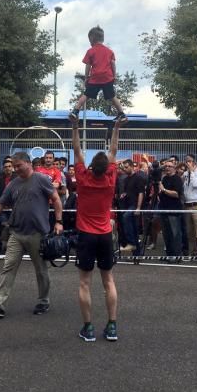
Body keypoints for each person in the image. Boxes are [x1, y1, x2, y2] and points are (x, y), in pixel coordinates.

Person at [0, 152, 63, 319]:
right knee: (8, 267)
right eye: (14, 166)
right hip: (16, 233)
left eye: (18, 166)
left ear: (28, 163)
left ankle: (43, 300)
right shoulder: (13, 184)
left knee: (41, 270)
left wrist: (59, 221)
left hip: (38, 234)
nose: (16, 169)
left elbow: (55, 198)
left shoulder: (41, 179)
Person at [72, 118, 123, 342]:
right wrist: (117, 127)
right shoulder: (111, 179)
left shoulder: (83, 178)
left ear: (92, 166)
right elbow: (113, 149)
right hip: (104, 235)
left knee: (85, 282)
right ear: (108, 168)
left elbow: (76, 149)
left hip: (86, 234)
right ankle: (112, 326)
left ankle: (88, 328)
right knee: (108, 281)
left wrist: (74, 127)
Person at [69, 25, 127, 123]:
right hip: (107, 77)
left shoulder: (90, 51)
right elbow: (113, 64)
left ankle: (76, 111)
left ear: (92, 39)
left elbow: (88, 65)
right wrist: (114, 76)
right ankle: (122, 114)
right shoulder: (109, 51)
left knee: (86, 95)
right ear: (102, 38)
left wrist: (87, 78)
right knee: (112, 96)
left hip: (95, 78)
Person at [158, 159, 184, 260]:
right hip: (163, 210)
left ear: (174, 168)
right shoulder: (164, 179)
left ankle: (177, 256)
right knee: (166, 234)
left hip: (173, 211)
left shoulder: (177, 179)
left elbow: (176, 194)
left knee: (175, 234)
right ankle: (169, 255)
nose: (167, 168)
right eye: (165, 166)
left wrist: (164, 190)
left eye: (169, 166)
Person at [182, 154, 197, 260]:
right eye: (186, 161)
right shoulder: (185, 174)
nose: (188, 163)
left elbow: (196, 184)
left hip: (196, 205)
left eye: (190, 161)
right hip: (186, 205)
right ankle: (193, 252)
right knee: (189, 232)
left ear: (194, 162)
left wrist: (192, 172)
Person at [119, 159, 146, 253]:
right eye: (124, 167)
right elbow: (128, 191)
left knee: (125, 217)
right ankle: (136, 254)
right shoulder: (126, 179)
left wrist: (138, 208)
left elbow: (141, 193)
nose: (125, 169)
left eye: (126, 167)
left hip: (135, 205)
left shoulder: (138, 178)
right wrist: (124, 194)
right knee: (134, 229)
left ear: (132, 166)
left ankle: (131, 243)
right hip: (128, 204)